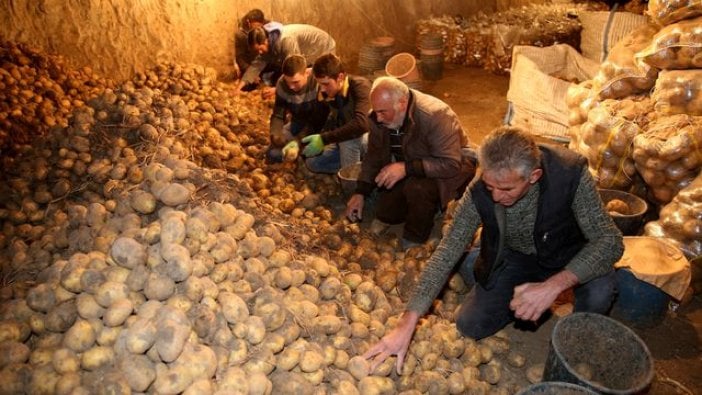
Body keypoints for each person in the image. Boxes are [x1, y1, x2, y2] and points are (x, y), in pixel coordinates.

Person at [363, 126, 624, 374]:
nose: (497, 196)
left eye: (507, 188)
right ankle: (482, 264)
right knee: (470, 324)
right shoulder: (481, 189)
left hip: (570, 253)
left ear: (533, 176)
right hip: (518, 257)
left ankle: (576, 342)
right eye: (491, 187)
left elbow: (611, 242)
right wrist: (407, 322)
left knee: (601, 289)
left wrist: (554, 286)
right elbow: (448, 249)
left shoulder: (570, 175)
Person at [344, 76, 476, 249]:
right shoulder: (378, 117)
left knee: (418, 190)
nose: (379, 117)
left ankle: (416, 236)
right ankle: (422, 206)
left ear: (402, 103)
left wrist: (406, 168)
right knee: (386, 213)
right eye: (376, 111)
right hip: (411, 164)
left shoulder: (436, 115)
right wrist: (361, 191)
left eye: (383, 112)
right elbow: (374, 155)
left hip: (448, 168)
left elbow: (451, 163)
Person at [300, 53, 371, 174]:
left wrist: (324, 139)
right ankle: (359, 167)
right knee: (313, 163)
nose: (322, 89)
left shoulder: (360, 86)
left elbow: (361, 124)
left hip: (369, 140)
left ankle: (354, 184)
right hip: (343, 140)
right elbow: (317, 121)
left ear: (340, 77)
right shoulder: (326, 92)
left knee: (347, 141)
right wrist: (301, 145)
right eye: (320, 84)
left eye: (326, 84)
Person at [236, 23, 336, 94]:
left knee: (311, 81)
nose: (260, 52)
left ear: (265, 41)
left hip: (322, 47)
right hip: (305, 51)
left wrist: (276, 89)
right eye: (257, 51)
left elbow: (295, 68)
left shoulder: (286, 41)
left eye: (260, 49)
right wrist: (239, 88)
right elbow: (256, 66)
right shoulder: (269, 42)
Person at [265, 54, 328, 164]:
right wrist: (275, 134)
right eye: (288, 81)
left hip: (318, 126)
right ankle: (298, 153)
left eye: (295, 82)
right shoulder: (281, 84)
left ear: (306, 74)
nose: (291, 87)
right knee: (272, 153)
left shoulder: (318, 81)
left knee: (311, 158)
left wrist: (298, 141)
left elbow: (318, 120)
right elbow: (278, 114)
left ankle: (303, 154)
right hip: (298, 122)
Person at [233, 9, 268, 87]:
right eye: (256, 26)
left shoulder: (267, 28)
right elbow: (240, 58)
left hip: (263, 63)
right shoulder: (241, 35)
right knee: (247, 85)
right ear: (248, 22)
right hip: (250, 65)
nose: (258, 29)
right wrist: (251, 72)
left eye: (260, 26)